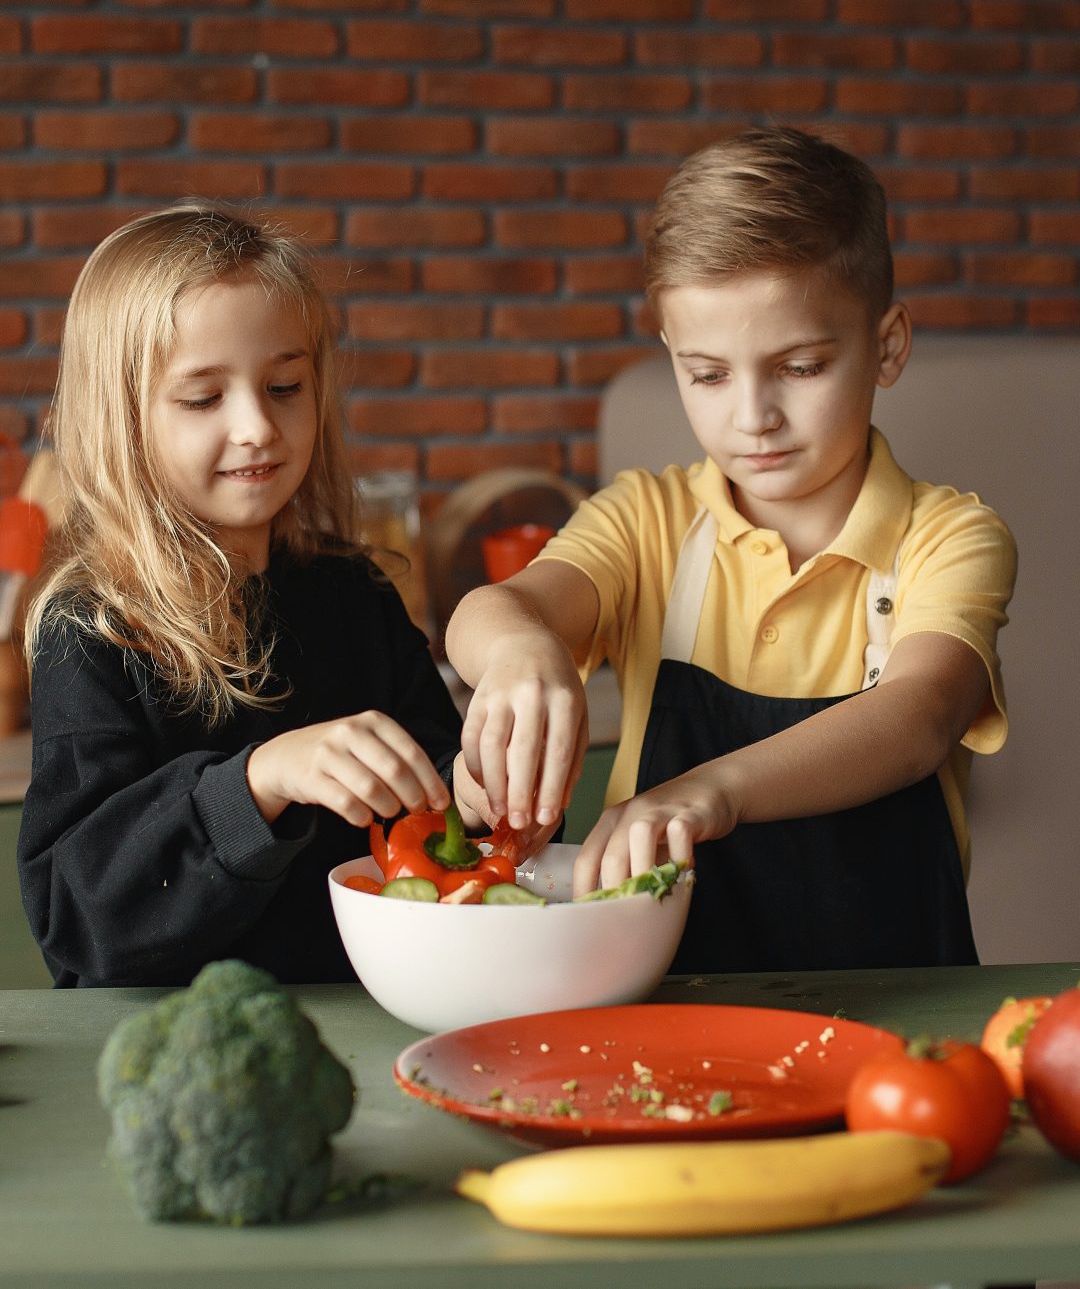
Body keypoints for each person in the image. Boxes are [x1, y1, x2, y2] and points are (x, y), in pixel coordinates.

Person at [445, 126, 1017, 974]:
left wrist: (708, 792)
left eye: (800, 366)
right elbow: (495, 610)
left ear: (886, 345)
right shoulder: (649, 520)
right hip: (662, 997)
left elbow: (916, 719)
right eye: (708, 374)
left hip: (901, 1008)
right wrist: (525, 654)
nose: (753, 416)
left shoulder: (950, 536)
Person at [19, 204, 467, 987]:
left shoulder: (355, 593)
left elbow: (443, 817)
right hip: (175, 1048)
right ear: (123, 419)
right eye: (203, 398)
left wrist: (495, 781)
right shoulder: (92, 627)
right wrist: (259, 780)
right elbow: (80, 919)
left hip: (365, 1026)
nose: (258, 425)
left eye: (284, 385)